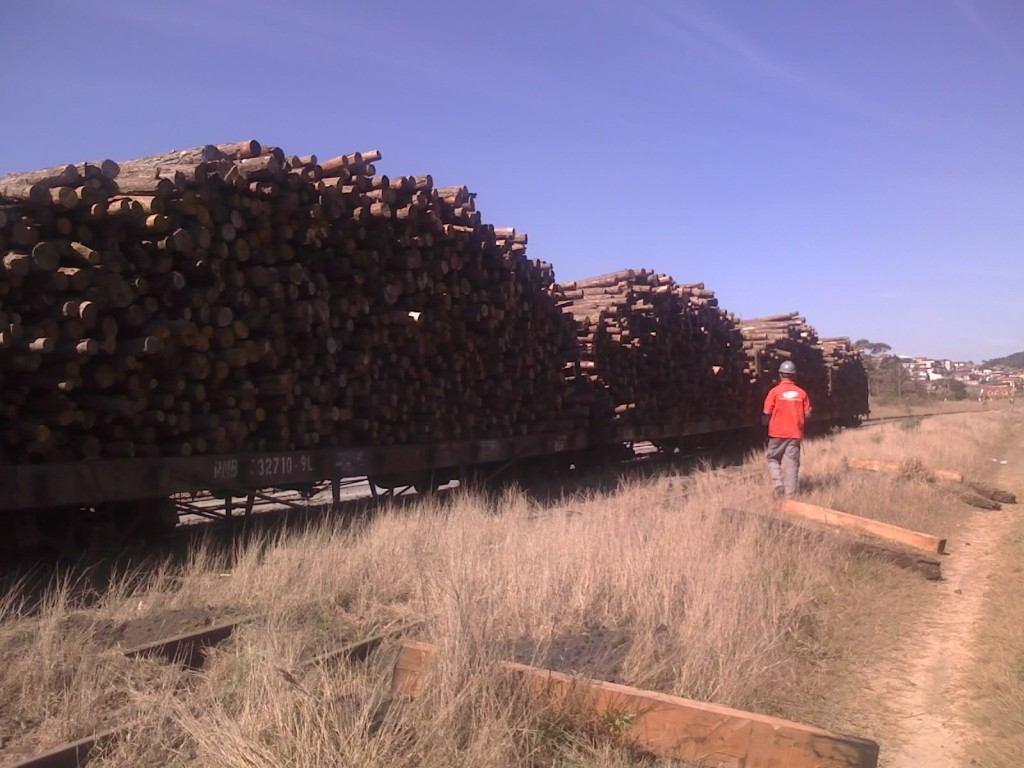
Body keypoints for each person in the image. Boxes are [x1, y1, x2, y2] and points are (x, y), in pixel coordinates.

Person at [762, 360, 812, 498]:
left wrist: (766, 426)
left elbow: (766, 412)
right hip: (795, 433)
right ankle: (791, 496)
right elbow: (808, 414)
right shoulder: (802, 393)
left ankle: (778, 484)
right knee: (792, 464)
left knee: (773, 458)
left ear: (780, 375)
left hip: (776, 433)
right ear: (794, 375)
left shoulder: (774, 392)